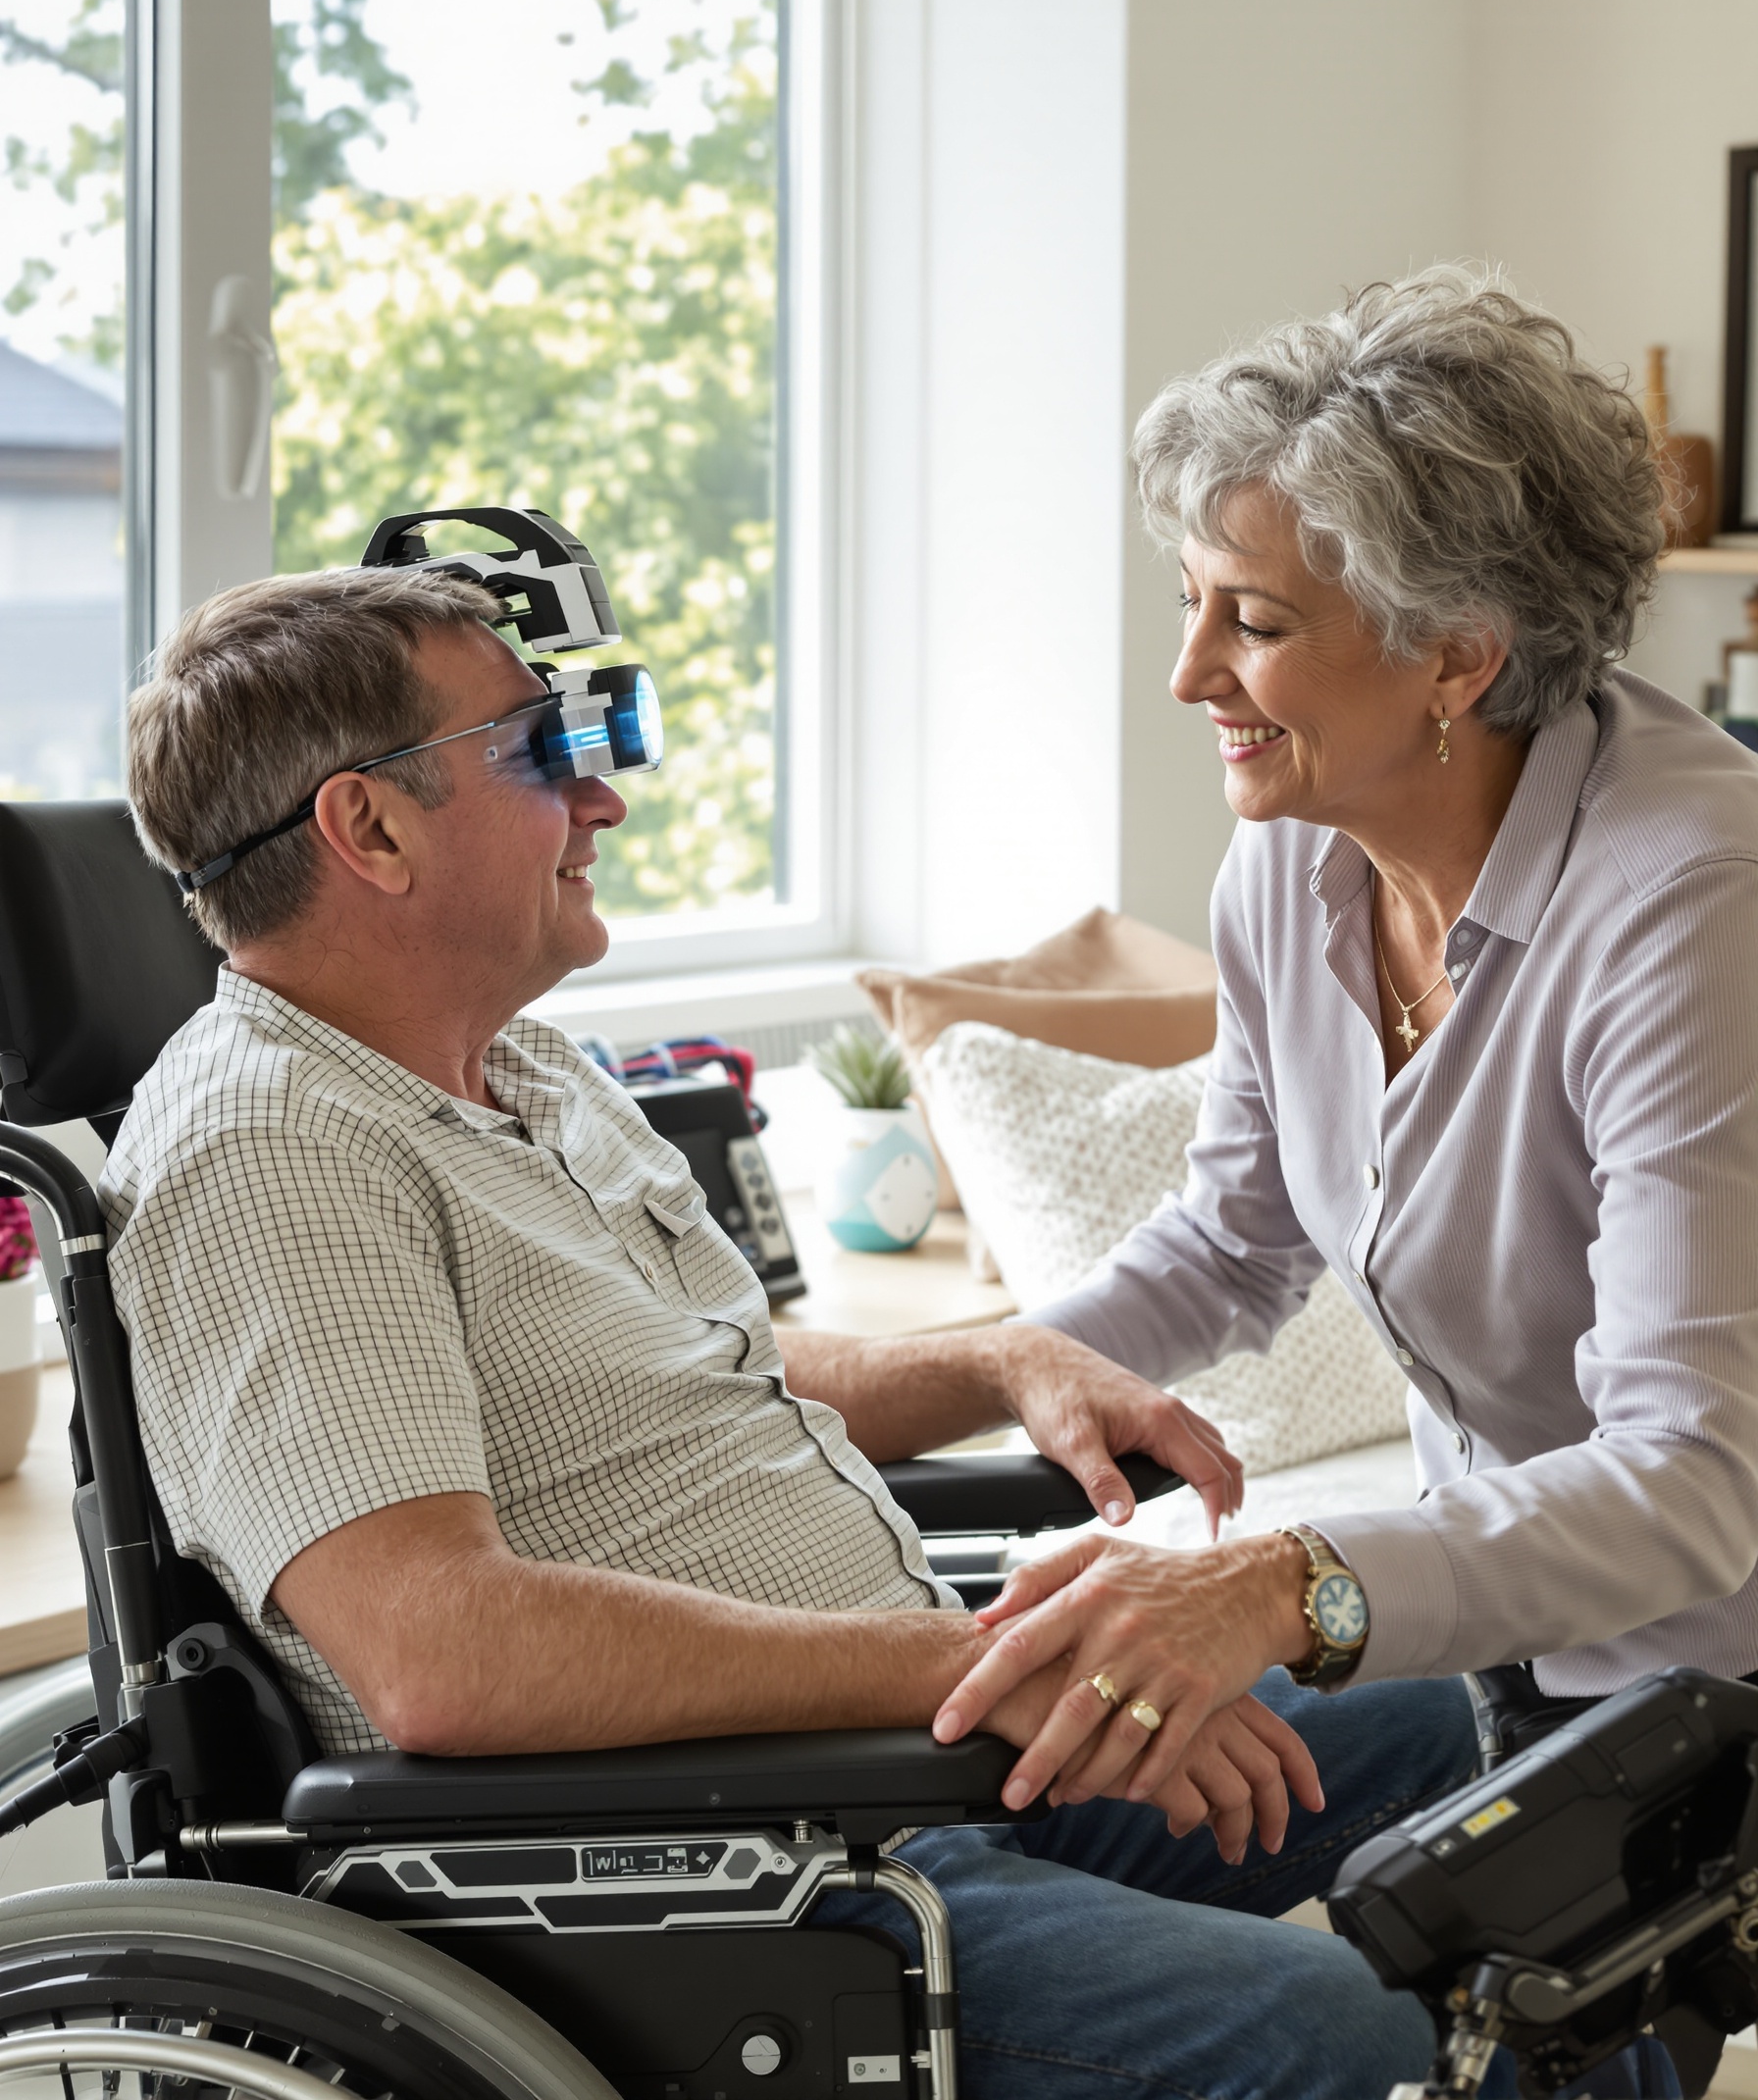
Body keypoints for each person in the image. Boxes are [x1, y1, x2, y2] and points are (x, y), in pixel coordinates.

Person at [103, 561, 1475, 2100]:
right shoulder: (273, 1152)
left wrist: (992, 1362)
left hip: (902, 1762)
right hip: (727, 1877)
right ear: (369, 828)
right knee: (1322, 2028)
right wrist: (979, 1664)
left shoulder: (527, 1070)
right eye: (544, 748)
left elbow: (706, 1364)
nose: (603, 799)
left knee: (1483, 1714)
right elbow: (439, 1654)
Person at [931, 265, 1758, 2096]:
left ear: (1457, 653)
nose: (1190, 673)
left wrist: (1281, 1583)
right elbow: (1234, 1235)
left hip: (1718, 1677)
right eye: (1189, 603)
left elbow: (1694, 1490)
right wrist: (989, 1365)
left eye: (1256, 620)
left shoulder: (1690, 900)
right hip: (1517, 1637)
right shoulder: (1295, 870)